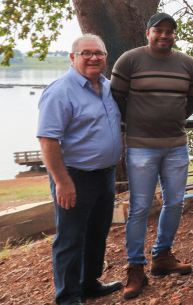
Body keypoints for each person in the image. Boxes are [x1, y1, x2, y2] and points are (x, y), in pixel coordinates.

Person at [111, 13, 193, 299]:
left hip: (176, 145)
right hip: (140, 146)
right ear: (148, 33)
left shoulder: (187, 63)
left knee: (175, 202)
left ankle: (161, 256)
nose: (164, 35)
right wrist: (137, 122)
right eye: (158, 31)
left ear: (175, 34)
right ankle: (135, 267)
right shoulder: (130, 60)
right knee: (139, 208)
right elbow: (116, 97)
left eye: (169, 31)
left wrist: (174, 119)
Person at [37, 35, 123, 305]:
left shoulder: (108, 87)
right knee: (71, 238)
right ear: (73, 57)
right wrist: (62, 182)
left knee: (98, 232)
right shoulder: (60, 91)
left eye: (99, 53)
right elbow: (48, 139)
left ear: (105, 58)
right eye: (86, 52)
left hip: (105, 175)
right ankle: (68, 296)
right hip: (74, 177)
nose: (93, 57)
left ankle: (89, 283)